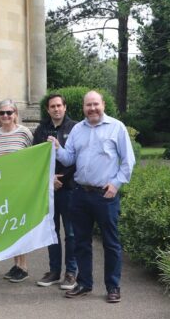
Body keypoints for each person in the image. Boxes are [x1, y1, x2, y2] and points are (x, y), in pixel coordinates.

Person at [50, 90, 135, 303]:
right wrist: (58, 148)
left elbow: (128, 161)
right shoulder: (78, 129)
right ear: (83, 107)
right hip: (80, 193)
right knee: (81, 242)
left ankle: (113, 286)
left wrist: (116, 184)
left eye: (96, 104)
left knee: (111, 243)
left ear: (103, 105)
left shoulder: (117, 127)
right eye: (88, 105)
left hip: (105, 195)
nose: (92, 109)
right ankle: (84, 283)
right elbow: (69, 159)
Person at [33, 93, 78, 291]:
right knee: (52, 232)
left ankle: (71, 272)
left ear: (65, 107)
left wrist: (61, 179)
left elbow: (78, 157)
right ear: (48, 109)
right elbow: (34, 158)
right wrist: (49, 179)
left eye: (59, 105)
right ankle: (53, 271)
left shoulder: (75, 128)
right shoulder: (41, 129)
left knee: (70, 232)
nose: (56, 109)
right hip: (48, 189)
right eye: (52, 106)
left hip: (69, 188)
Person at [0, 99, 34, 283]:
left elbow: (34, 158)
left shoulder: (24, 132)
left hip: (20, 188)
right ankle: (16, 264)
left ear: (15, 114)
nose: (6, 116)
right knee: (9, 227)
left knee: (19, 226)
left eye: (9, 112)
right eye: (2, 113)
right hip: (2, 189)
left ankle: (24, 266)